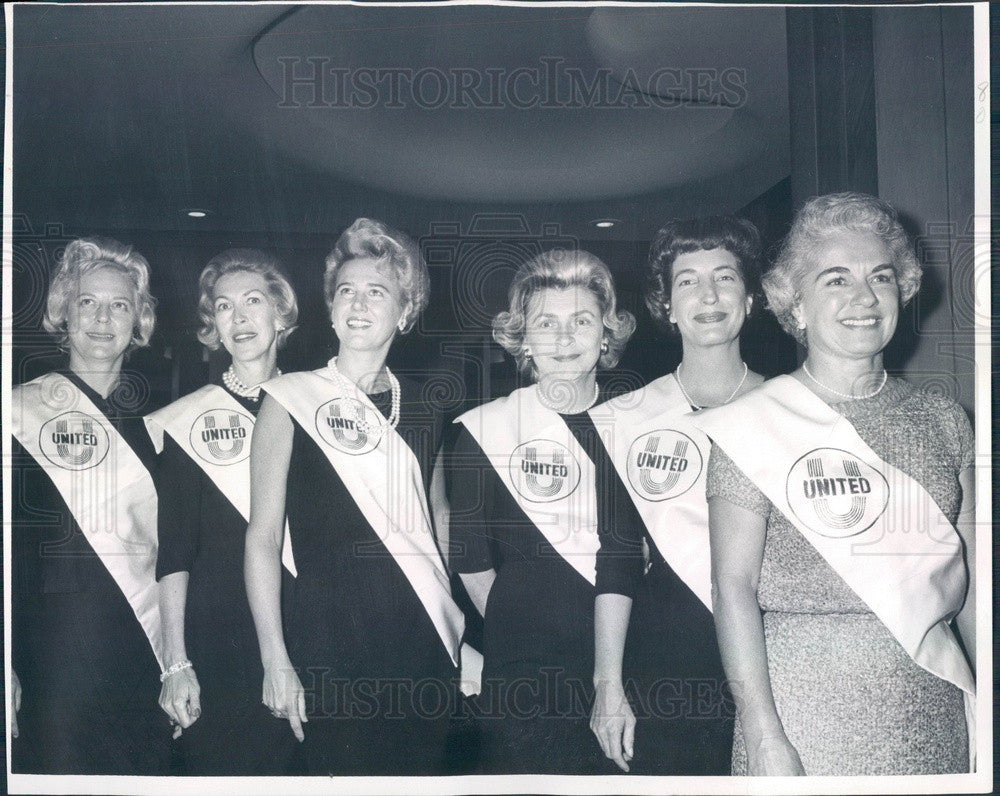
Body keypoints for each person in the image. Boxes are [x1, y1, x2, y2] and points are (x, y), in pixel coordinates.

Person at [697, 192, 976, 775]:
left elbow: (975, 585)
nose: (864, 298)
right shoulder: (753, 424)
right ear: (795, 306)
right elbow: (734, 590)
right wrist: (764, 735)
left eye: (880, 276)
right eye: (835, 281)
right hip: (801, 710)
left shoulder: (944, 419)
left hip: (933, 697)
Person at [244, 218, 465, 775]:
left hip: (420, 643)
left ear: (406, 310)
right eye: (346, 291)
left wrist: (464, 632)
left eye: (377, 292)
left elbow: (437, 525)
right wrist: (275, 659)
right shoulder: (289, 399)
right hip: (324, 643)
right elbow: (263, 538)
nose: (358, 304)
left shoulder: (428, 407)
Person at [449, 248, 638, 774]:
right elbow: (470, 560)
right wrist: (529, 623)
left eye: (581, 321)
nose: (563, 338)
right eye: (545, 323)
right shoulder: (482, 431)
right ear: (523, 339)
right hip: (524, 673)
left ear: (606, 335)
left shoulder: (642, 427)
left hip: (633, 662)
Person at [589, 217, 764, 774]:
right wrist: (608, 684)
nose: (708, 296)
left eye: (726, 278)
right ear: (666, 305)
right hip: (667, 660)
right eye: (687, 281)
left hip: (778, 647)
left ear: (752, 298)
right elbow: (616, 560)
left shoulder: (793, 408)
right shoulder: (628, 418)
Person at [9, 237, 170, 774]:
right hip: (47, 656)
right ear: (63, 311)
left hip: (137, 655)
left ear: (138, 319)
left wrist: (176, 664)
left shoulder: (159, 432)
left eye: (120, 305)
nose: (103, 318)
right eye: (87, 303)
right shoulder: (17, 414)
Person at [145, 249, 299, 774]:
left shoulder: (317, 406)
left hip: (310, 626)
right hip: (222, 639)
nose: (239, 318)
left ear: (282, 314)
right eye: (225, 307)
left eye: (254, 301)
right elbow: (175, 551)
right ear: (213, 325)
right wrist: (177, 662)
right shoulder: (189, 420)